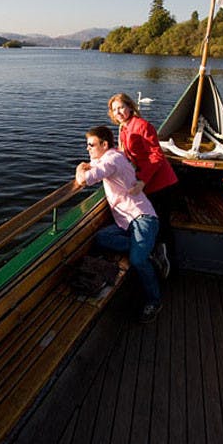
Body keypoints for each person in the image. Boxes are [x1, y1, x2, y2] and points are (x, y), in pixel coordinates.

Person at [75, 125, 162, 323]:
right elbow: (96, 164)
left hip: (142, 218)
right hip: (126, 222)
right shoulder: (113, 155)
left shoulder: (112, 159)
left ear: (104, 144)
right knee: (102, 238)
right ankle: (150, 249)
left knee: (138, 260)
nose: (87, 148)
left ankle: (154, 301)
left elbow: (84, 180)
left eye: (91, 145)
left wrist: (80, 167)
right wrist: (91, 161)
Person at [107, 92, 179, 277]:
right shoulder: (124, 128)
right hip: (145, 182)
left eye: (122, 107)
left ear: (130, 107)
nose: (119, 112)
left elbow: (156, 155)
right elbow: (123, 153)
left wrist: (142, 181)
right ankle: (155, 256)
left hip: (161, 182)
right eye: (115, 110)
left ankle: (171, 265)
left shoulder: (142, 126)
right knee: (155, 222)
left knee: (162, 223)